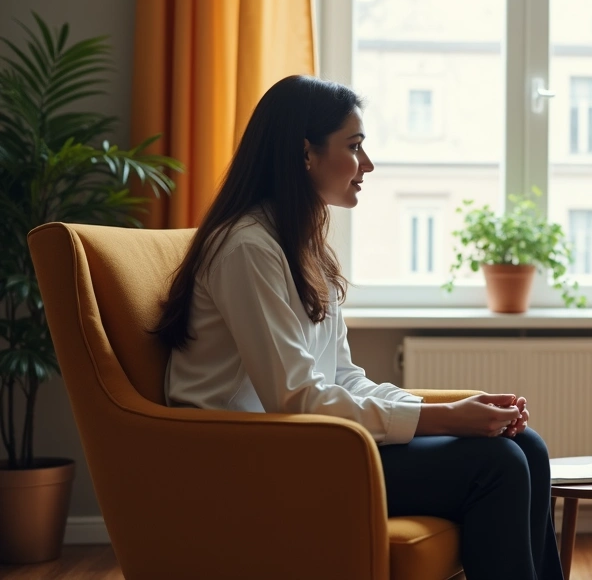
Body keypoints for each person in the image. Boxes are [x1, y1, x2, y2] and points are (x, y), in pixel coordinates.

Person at [155, 75, 562, 580]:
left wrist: (452, 411)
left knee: (528, 447)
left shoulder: (301, 246)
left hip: (309, 444)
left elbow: (343, 378)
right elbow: (295, 399)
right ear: (306, 153)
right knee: (498, 464)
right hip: (251, 458)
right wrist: (443, 418)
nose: (366, 164)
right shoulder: (247, 249)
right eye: (353, 147)